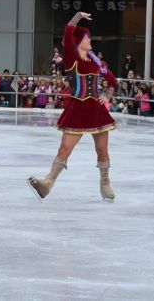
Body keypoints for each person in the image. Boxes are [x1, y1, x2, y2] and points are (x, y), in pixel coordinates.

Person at [28, 12, 118, 201]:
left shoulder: (96, 63)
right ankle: (48, 183)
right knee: (64, 150)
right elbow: (68, 34)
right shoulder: (72, 59)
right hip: (77, 110)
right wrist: (77, 17)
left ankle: (105, 183)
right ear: (79, 42)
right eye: (86, 38)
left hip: (96, 110)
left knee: (102, 150)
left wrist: (107, 96)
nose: (90, 40)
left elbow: (112, 81)